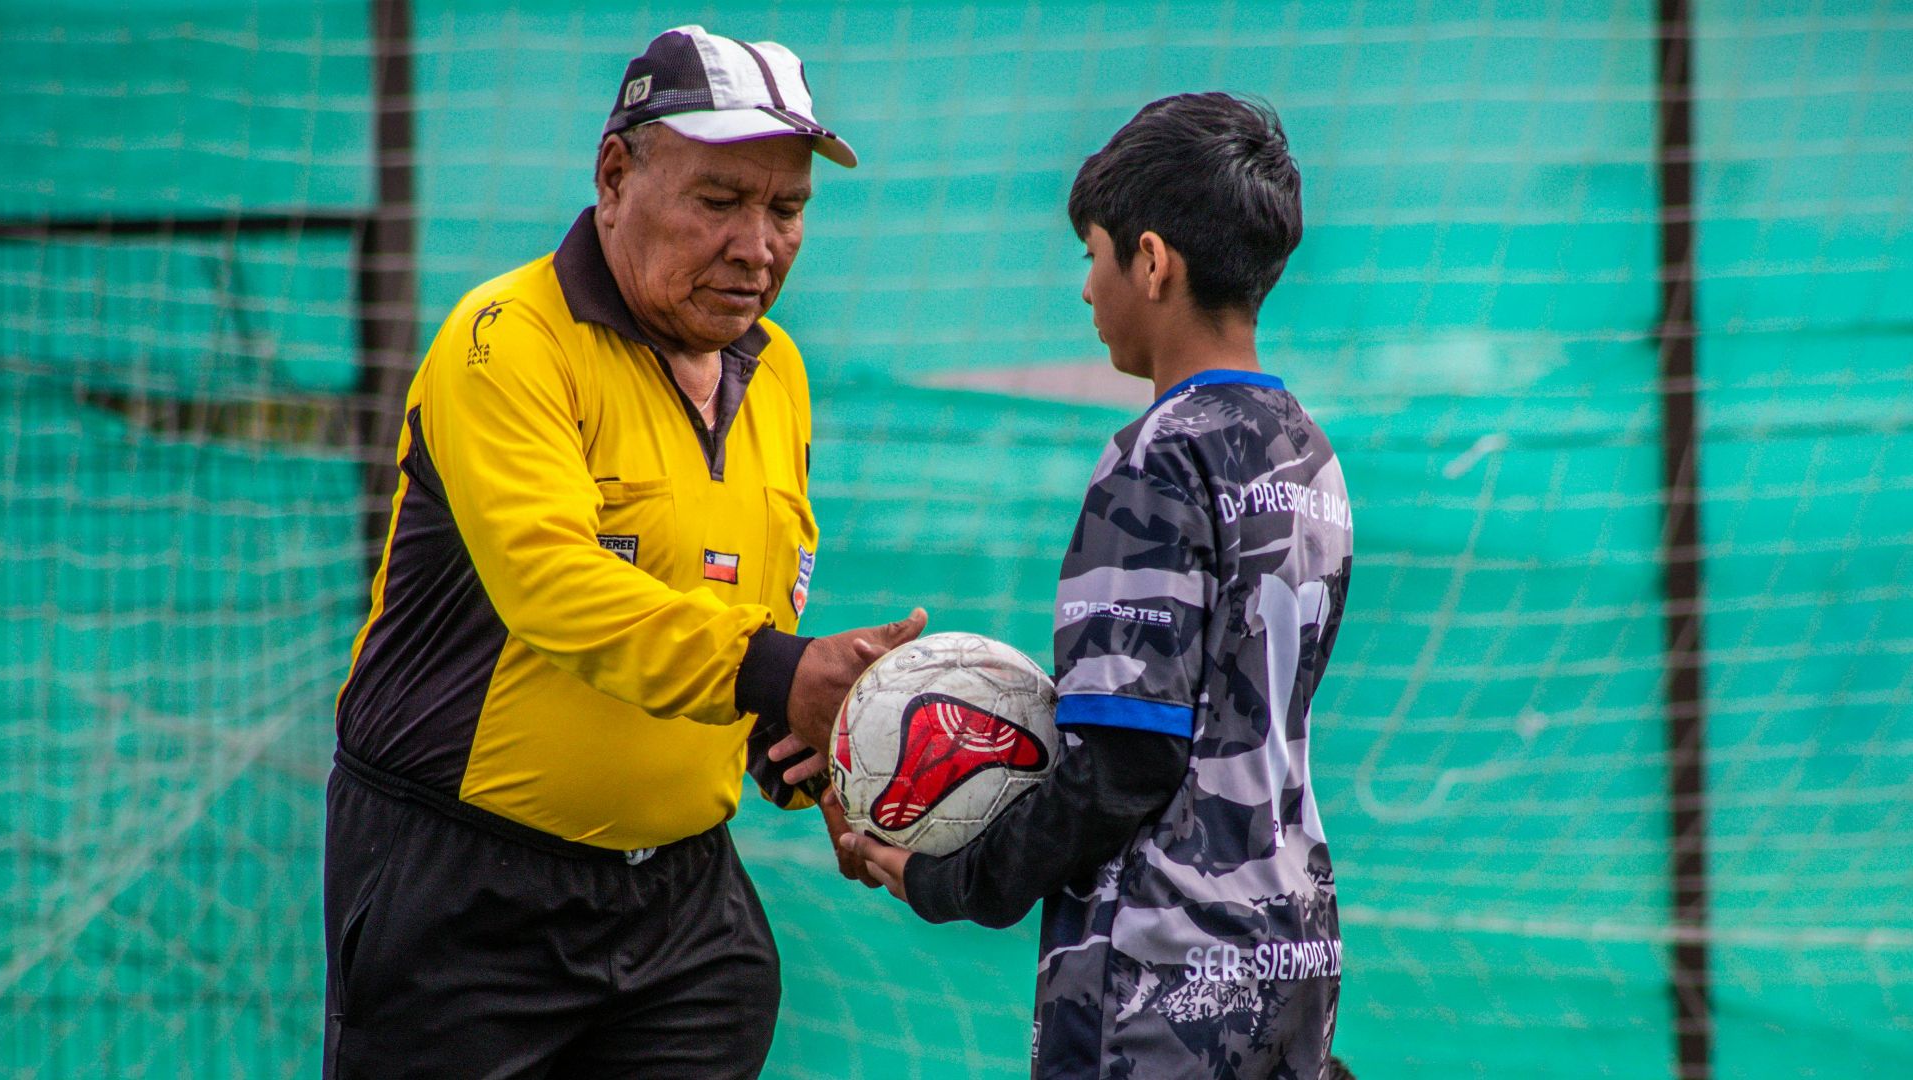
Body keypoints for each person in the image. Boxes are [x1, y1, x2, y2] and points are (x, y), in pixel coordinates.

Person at [325, 25, 920, 1078]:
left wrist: (795, 739)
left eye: (786, 210)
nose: (758, 245)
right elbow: (555, 588)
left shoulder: (775, 368)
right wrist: (779, 673)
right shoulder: (506, 343)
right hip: (467, 903)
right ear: (614, 176)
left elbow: (741, 602)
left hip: (681, 916)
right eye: (719, 199)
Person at [837, 93, 1354, 1077]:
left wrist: (948, 879)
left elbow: (1127, 763)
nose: (1085, 290)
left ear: (1152, 263)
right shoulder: (1307, 454)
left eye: (1092, 255)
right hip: (1293, 948)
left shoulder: (1156, 460)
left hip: (1163, 978)